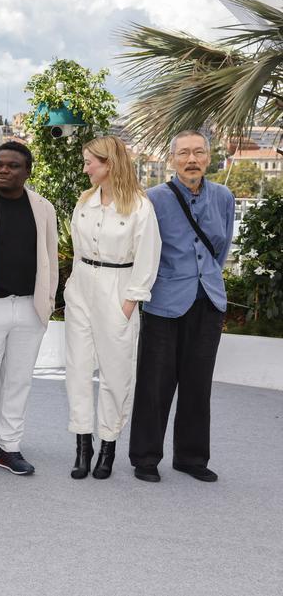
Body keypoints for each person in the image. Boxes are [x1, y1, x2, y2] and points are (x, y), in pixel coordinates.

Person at [129, 131, 234, 483]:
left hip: (208, 302)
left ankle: (191, 458)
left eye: (199, 152)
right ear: (172, 159)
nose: (192, 159)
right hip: (164, 303)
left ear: (209, 157)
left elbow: (222, 249)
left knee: (197, 384)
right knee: (154, 384)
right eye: (185, 153)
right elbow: (145, 253)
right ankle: (145, 457)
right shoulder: (153, 199)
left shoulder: (224, 197)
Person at [64, 135, 161, 480]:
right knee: (76, 369)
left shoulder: (139, 207)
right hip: (82, 287)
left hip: (118, 289)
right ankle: (82, 445)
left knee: (116, 374)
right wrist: (73, 288)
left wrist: (129, 302)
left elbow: (148, 258)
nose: (86, 167)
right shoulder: (85, 200)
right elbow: (76, 249)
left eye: (91, 161)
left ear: (109, 164)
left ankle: (107, 445)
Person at [0, 141, 58, 477]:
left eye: (12, 166)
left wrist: (46, 302)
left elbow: (50, 258)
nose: (3, 170)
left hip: (30, 309)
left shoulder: (44, 208)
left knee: (19, 381)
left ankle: (9, 447)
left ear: (27, 171)